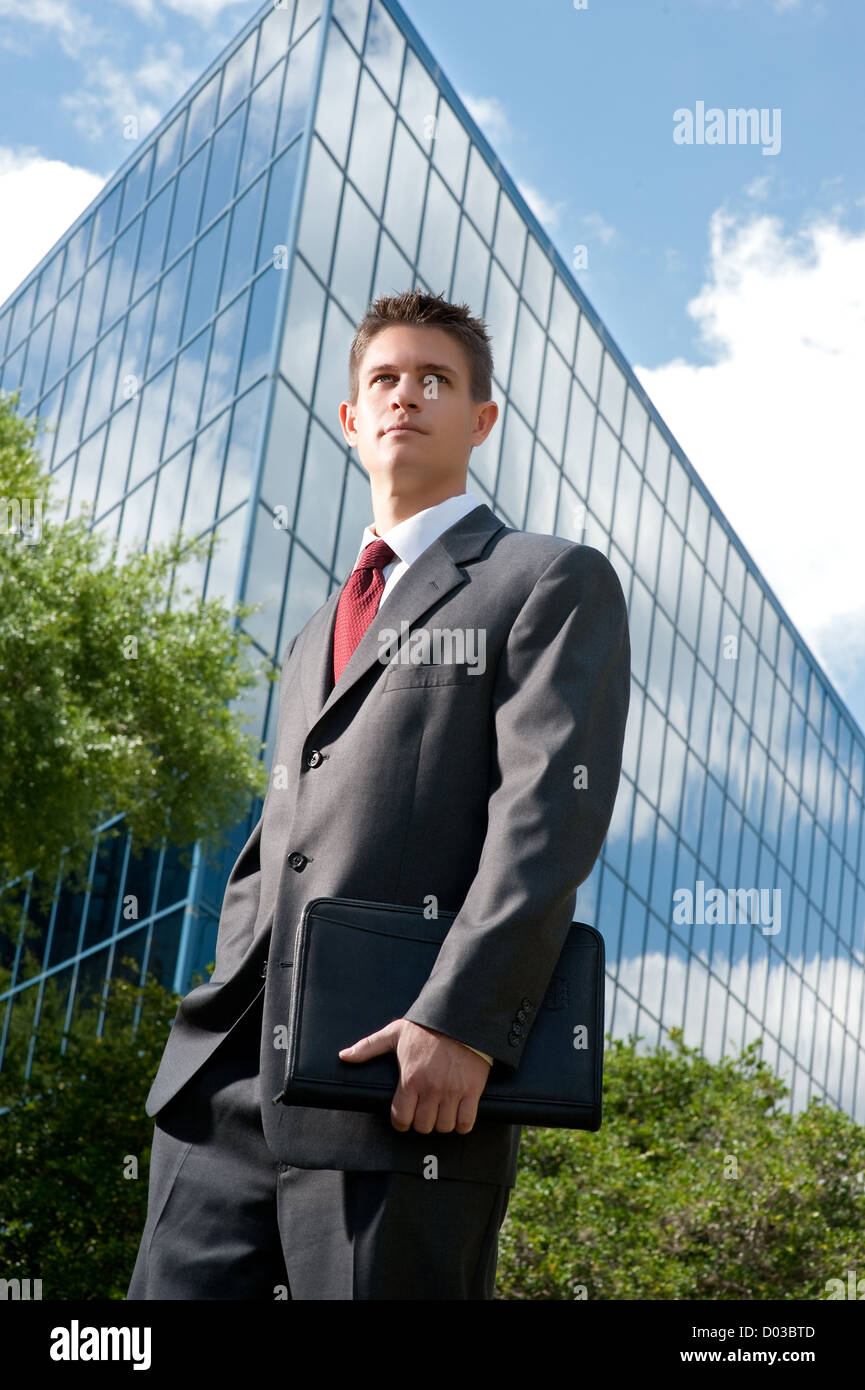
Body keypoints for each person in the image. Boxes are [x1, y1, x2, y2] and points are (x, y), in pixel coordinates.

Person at [127, 288, 631, 1301]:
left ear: (480, 421)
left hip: (399, 1075)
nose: (408, 395)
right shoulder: (316, 627)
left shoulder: (546, 579)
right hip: (223, 1078)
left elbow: (546, 817)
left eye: (436, 380)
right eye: (384, 380)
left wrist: (463, 1021)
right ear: (352, 420)